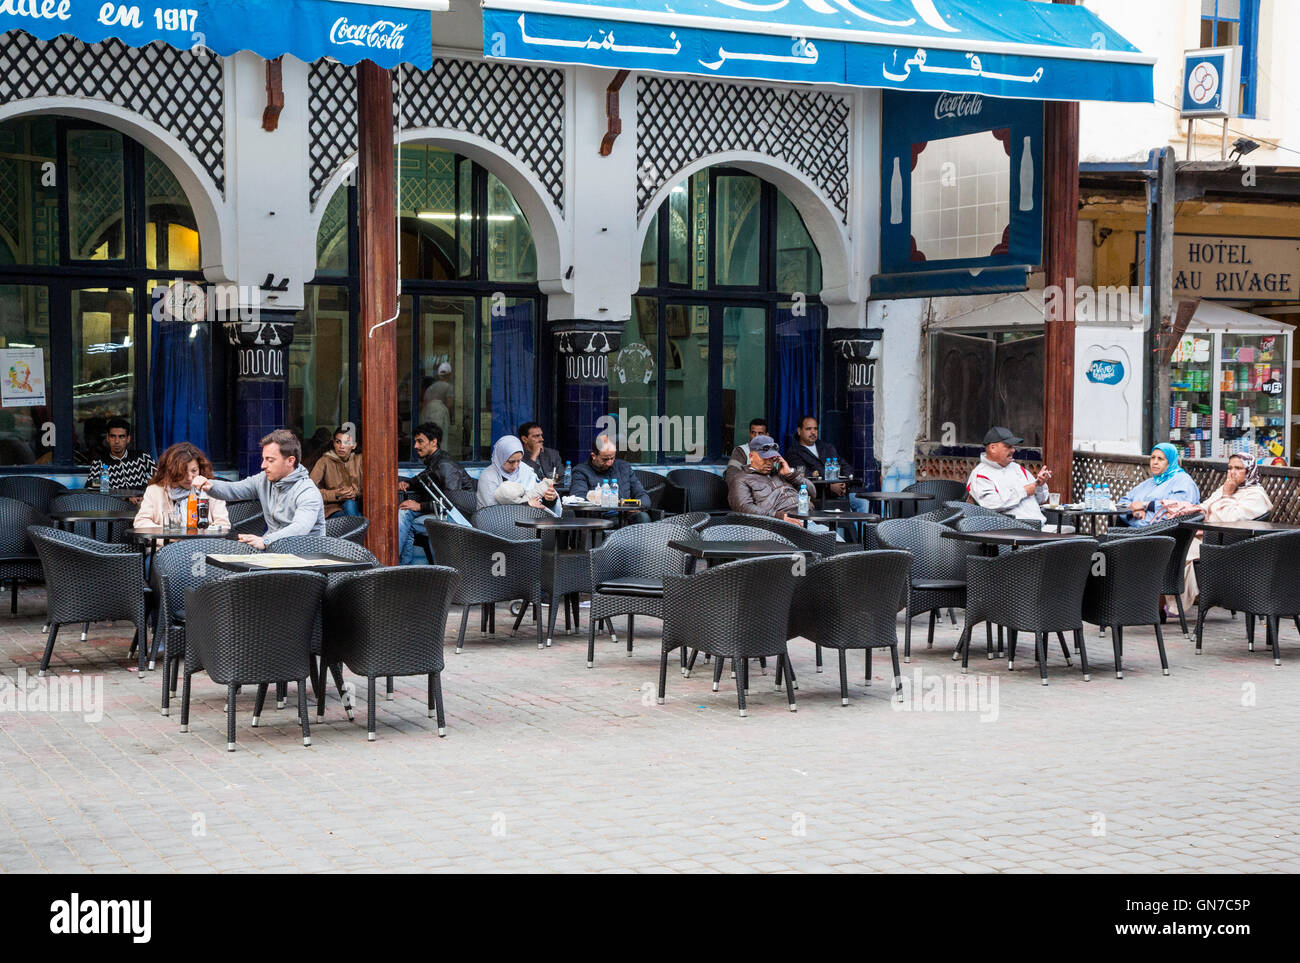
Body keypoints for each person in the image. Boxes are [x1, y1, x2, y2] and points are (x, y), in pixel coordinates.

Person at [1165, 453, 1272, 611]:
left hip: (1229, 547)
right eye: (1229, 468)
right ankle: (1162, 605)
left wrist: (1227, 495)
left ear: (1249, 470)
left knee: (1177, 552)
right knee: (1168, 546)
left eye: (1238, 468)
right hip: (1208, 538)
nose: (1232, 473)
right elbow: (1206, 507)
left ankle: (1165, 606)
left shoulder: (1256, 496)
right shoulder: (1227, 487)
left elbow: (1228, 520)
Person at [193, 429, 325, 549]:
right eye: (263, 459)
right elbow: (235, 489)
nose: (263, 465)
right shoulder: (264, 480)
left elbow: (300, 527)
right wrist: (209, 485)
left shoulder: (307, 491)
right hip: (274, 553)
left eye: (270, 460)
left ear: (290, 461)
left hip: (305, 558)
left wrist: (266, 541)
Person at [397, 423, 478, 565]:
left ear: (433, 442)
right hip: (439, 511)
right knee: (404, 514)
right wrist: (409, 483)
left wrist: (420, 506)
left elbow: (453, 502)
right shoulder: (435, 460)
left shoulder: (445, 465)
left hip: (456, 518)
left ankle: (398, 567)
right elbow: (424, 476)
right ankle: (402, 568)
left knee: (405, 518)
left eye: (420, 441)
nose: (415, 446)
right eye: (415, 442)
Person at [728, 434, 831, 532]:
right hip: (780, 526)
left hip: (808, 519)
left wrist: (791, 474)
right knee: (833, 543)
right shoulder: (741, 479)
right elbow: (743, 507)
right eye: (765, 458)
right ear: (751, 456)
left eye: (772, 459)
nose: (769, 463)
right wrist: (778, 516)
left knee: (838, 541)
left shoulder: (781, 473)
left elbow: (812, 493)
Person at [966, 426, 1055, 525]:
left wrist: (1039, 485)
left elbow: (1041, 500)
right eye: (1008, 446)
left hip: (1040, 527)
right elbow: (991, 504)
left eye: (1013, 446)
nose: (1013, 450)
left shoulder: (1017, 468)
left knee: (1071, 531)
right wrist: (1024, 491)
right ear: (993, 448)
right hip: (1013, 531)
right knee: (1070, 537)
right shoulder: (980, 474)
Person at [133, 442, 232, 530]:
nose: (189, 478)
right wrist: (170, 536)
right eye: (183, 472)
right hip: (165, 548)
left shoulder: (210, 489)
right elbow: (141, 522)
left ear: (200, 469)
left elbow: (223, 525)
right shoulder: (155, 490)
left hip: (204, 547)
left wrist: (201, 537)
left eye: (194, 471)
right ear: (172, 471)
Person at [571, 435, 651, 523]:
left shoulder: (624, 467)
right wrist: (601, 500)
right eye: (605, 459)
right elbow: (578, 499)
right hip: (599, 518)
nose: (609, 463)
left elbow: (642, 495)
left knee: (643, 517)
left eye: (612, 458)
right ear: (594, 456)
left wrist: (636, 507)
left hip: (625, 515)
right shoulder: (581, 471)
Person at [1120, 443, 1201, 527]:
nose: (1155, 462)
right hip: (1134, 531)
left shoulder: (1183, 481)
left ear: (1170, 462)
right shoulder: (1149, 482)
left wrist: (1145, 505)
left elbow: (1177, 508)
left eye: (1160, 459)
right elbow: (1122, 502)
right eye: (1153, 458)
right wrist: (1135, 511)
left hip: (1161, 535)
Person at [476, 435, 561, 514]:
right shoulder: (488, 476)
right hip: (496, 525)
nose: (516, 465)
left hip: (529, 521)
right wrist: (526, 505)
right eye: (511, 462)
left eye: (519, 460)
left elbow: (539, 498)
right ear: (500, 458)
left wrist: (550, 499)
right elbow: (491, 510)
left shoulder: (525, 470)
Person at [85, 417, 156, 502]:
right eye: (113, 436)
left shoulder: (142, 457)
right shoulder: (99, 462)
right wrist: (123, 496)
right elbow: (90, 487)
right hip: (115, 508)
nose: (117, 441)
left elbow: (161, 478)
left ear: (128, 439)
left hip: (143, 506)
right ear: (107, 438)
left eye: (121, 437)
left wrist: (147, 494)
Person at [784, 415, 847, 500]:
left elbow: (845, 466)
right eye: (808, 429)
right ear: (799, 431)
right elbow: (804, 475)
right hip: (817, 497)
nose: (813, 432)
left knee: (862, 502)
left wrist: (843, 484)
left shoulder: (827, 447)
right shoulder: (794, 452)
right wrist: (829, 486)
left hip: (842, 492)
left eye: (815, 429)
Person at [309, 425, 362, 518]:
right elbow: (309, 490)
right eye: (338, 442)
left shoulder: (360, 460)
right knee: (352, 514)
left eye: (346, 442)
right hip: (332, 509)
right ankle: (360, 526)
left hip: (359, 505)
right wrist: (336, 494)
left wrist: (355, 493)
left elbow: (372, 486)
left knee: (350, 504)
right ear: (333, 443)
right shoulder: (324, 460)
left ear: (354, 445)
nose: (341, 446)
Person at [724, 417, 770, 483]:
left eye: (760, 433)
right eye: (753, 433)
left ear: (767, 435)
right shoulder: (740, 451)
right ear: (749, 433)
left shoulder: (772, 452)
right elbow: (731, 476)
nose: (756, 436)